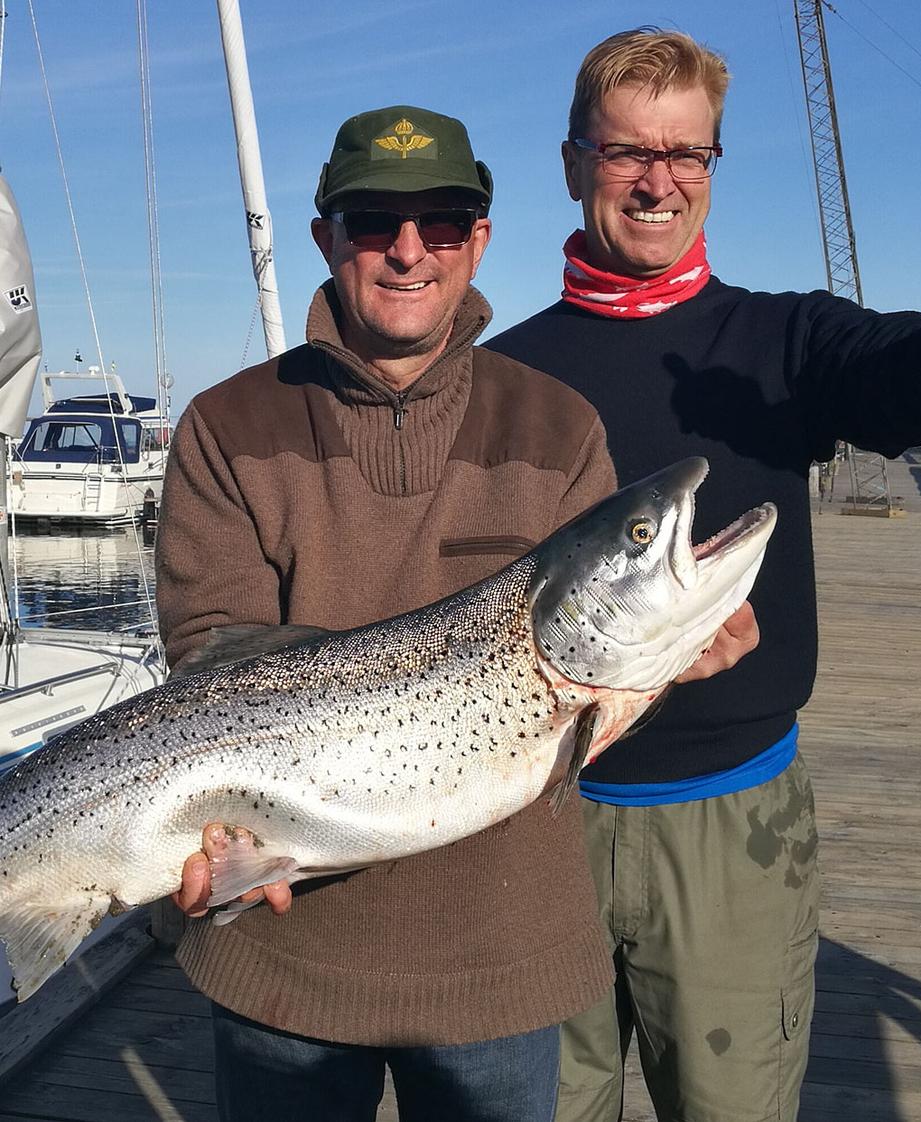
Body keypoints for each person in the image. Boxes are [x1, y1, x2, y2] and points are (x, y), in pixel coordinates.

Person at [487, 27, 921, 1122]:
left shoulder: (783, 340)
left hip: (733, 824)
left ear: (715, 167)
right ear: (572, 164)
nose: (658, 181)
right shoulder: (503, 376)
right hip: (533, 825)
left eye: (689, 154)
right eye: (628, 151)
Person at [156, 105, 625, 1122]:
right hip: (282, 961)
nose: (408, 250)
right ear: (327, 235)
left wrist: (671, 664)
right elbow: (209, 658)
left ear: (480, 239)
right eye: (374, 221)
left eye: (443, 221)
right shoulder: (225, 425)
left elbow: (597, 683)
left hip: (498, 971)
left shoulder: (558, 427)